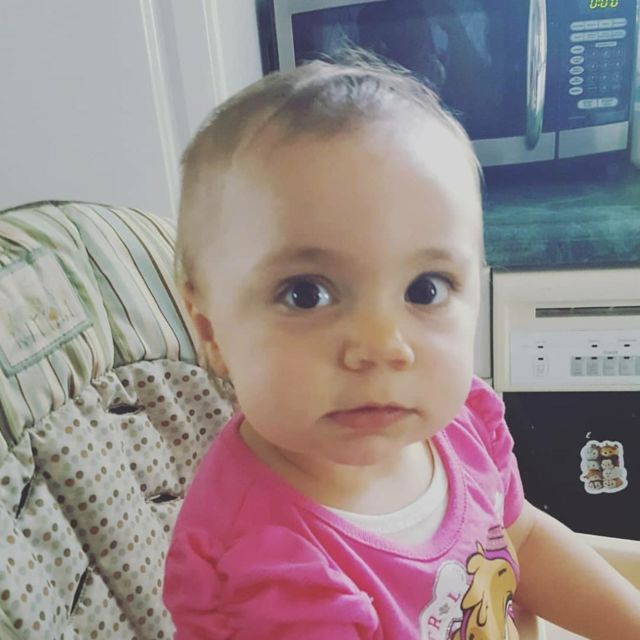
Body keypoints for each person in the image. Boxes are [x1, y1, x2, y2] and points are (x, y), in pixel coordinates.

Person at [162, 55, 640, 639]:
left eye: (425, 289)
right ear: (210, 331)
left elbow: (525, 539)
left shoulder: (461, 426)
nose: (382, 346)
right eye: (306, 294)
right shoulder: (269, 576)